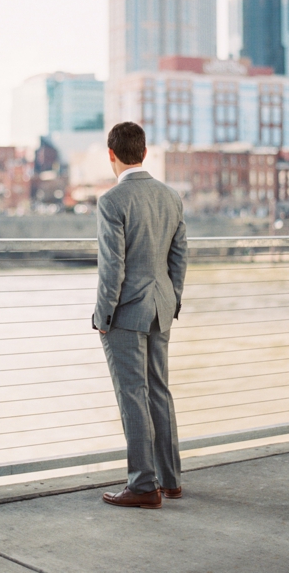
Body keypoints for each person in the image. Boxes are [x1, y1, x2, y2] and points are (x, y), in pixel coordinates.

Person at [92, 121, 188, 509]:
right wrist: (172, 299)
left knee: (133, 396)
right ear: (145, 153)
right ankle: (171, 480)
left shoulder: (112, 201)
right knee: (159, 392)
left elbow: (111, 268)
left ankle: (144, 486)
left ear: (111, 155)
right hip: (161, 307)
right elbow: (179, 257)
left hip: (127, 312)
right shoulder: (171, 196)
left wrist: (103, 316)